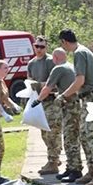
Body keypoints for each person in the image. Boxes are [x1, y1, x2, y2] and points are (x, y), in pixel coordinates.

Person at [58, 29, 93, 185]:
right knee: (85, 136)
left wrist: (64, 95)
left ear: (64, 42)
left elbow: (80, 80)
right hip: (87, 99)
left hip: (91, 98)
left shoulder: (79, 53)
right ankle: (92, 171)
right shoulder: (83, 51)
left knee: (92, 137)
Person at [35, 48, 81, 180]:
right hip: (76, 105)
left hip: (70, 106)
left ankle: (75, 170)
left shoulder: (58, 69)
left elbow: (46, 88)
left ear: (54, 58)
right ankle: (71, 167)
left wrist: (36, 101)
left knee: (69, 139)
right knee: (72, 138)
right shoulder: (71, 67)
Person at [27, 36, 62, 176]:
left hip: (52, 100)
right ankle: (54, 157)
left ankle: (53, 161)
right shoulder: (31, 63)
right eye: (37, 46)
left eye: (42, 47)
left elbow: (53, 82)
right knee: (44, 133)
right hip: (39, 101)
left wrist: (39, 85)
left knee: (52, 132)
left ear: (46, 48)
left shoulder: (50, 61)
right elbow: (29, 79)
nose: (39, 49)